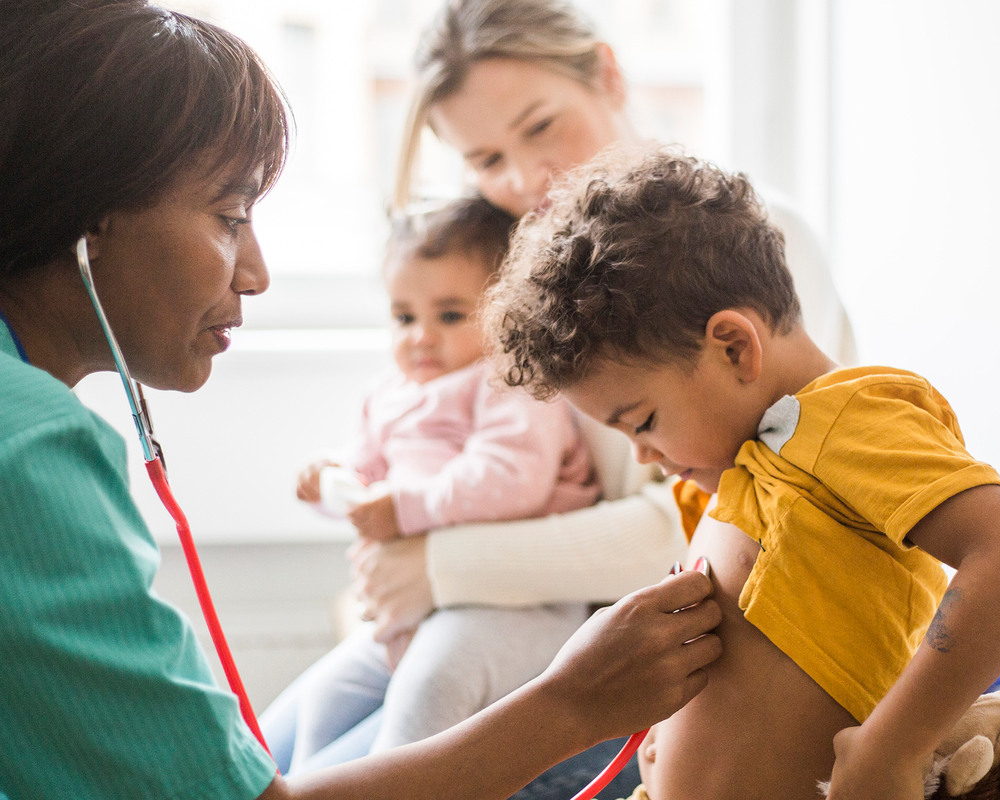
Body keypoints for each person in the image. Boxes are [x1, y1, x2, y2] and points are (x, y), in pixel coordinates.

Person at [0, 4, 722, 799]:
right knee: (296, 731)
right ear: (87, 215)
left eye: (541, 127)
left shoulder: (692, 263)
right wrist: (565, 699)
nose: (257, 274)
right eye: (230, 217)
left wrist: (435, 565)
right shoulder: (27, 450)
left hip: (532, 622)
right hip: (465, 619)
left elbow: (681, 523)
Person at [339, 4, 858, 791]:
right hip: (547, 631)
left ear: (609, 75)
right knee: (294, 753)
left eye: (542, 126)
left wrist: (439, 566)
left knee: (381, 765)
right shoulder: (530, 270)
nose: (522, 180)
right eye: (486, 158)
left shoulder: (748, 242)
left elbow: (715, 526)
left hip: (683, 656)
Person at [482, 147, 1000, 800]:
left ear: (734, 346)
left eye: (641, 421)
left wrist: (895, 746)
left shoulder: (847, 418)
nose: (642, 454)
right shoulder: (737, 474)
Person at [271, 196, 601, 775]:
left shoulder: (512, 381)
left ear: (507, 311)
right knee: (326, 697)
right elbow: (370, 478)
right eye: (404, 317)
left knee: (429, 689)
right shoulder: (392, 394)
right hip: (416, 607)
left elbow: (511, 479)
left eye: (449, 316)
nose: (420, 337)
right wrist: (333, 480)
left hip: (515, 604)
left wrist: (402, 507)